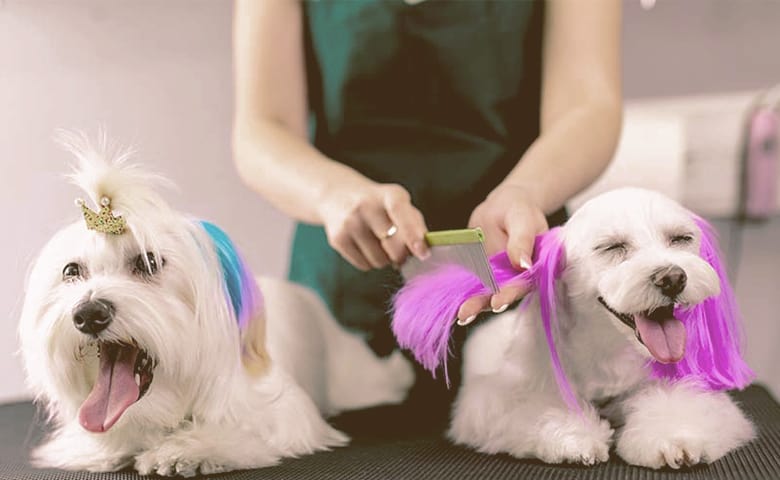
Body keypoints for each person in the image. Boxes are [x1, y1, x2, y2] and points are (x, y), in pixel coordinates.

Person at [232, 0, 622, 424]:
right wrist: (331, 194)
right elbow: (262, 127)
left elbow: (588, 105)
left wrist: (524, 191)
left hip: (512, 281)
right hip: (346, 312)